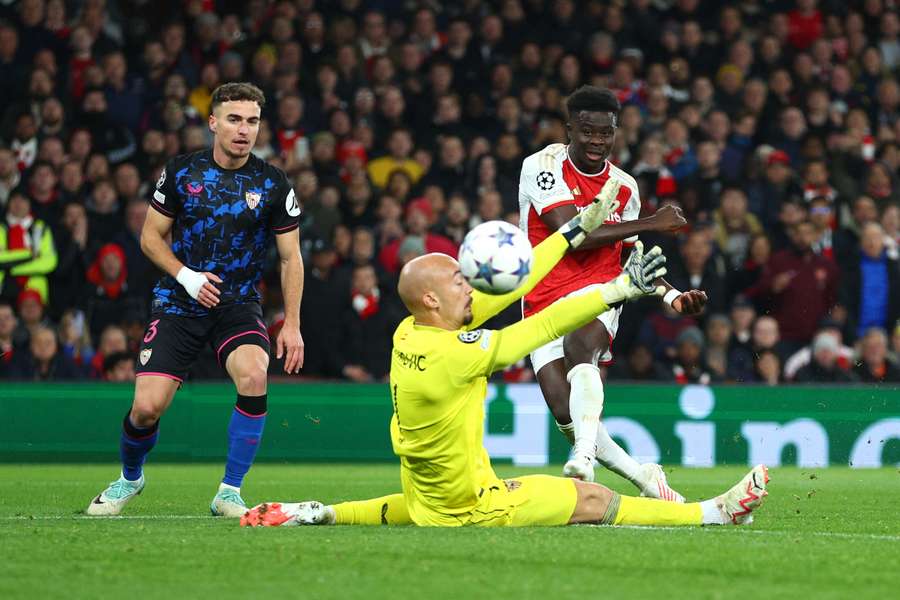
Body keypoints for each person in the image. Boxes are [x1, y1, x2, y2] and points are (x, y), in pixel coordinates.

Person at [241, 193, 769, 528]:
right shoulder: (458, 355)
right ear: (432, 299)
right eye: (456, 280)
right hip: (475, 507)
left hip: (428, 500)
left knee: (411, 510)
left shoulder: (410, 333)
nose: (467, 286)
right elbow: (541, 325)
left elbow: (518, 282)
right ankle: (711, 513)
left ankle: (315, 511)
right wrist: (617, 288)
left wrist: (569, 233)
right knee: (591, 499)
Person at [86, 83, 305, 518]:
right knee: (146, 408)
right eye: (234, 119)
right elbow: (150, 237)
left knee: (254, 377)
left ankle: (229, 491)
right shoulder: (182, 172)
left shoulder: (273, 183)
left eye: (253, 121)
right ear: (213, 123)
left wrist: (293, 324)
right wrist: (185, 276)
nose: (244, 130)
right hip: (178, 301)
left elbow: (290, 256)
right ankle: (130, 477)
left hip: (237, 303)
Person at [516, 86, 706, 495]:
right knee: (563, 409)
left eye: (606, 133)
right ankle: (646, 479)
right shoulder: (542, 165)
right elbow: (575, 235)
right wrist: (652, 223)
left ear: (616, 132)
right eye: (587, 132)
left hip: (600, 291)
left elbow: (627, 261)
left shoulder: (624, 187)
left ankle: (583, 456)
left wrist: (672, 295)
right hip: (541, 297)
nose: (597, 142)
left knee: (580, 346)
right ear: (570, 129)